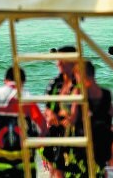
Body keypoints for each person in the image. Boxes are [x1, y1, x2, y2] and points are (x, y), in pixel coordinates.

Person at [68, 61, 113, 176]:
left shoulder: (79, 92)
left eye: (77, 76)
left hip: (85, 143)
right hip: (104, 142)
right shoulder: (106, 93)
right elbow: (112, 113)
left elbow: (73, 119)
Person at [43, 45, 77, 176]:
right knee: (55, 163)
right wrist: (51, 113)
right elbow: (47, 107)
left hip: (77, 131)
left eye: (62, 60)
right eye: (57, 60)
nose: (58, 63)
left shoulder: (81, 83)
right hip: (57, 130)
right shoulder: (55, 83)